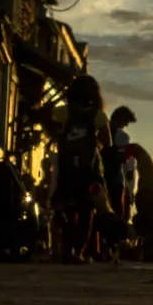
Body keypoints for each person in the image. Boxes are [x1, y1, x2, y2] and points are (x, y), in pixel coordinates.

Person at [52, 75, 111, 262]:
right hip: (88, 171)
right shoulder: (98, 116)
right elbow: (107, 142)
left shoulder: (63, 112)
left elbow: (52, 132)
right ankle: (79, 251)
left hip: (67, 169)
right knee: (87, 212)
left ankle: (67, 250)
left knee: (68, 210)